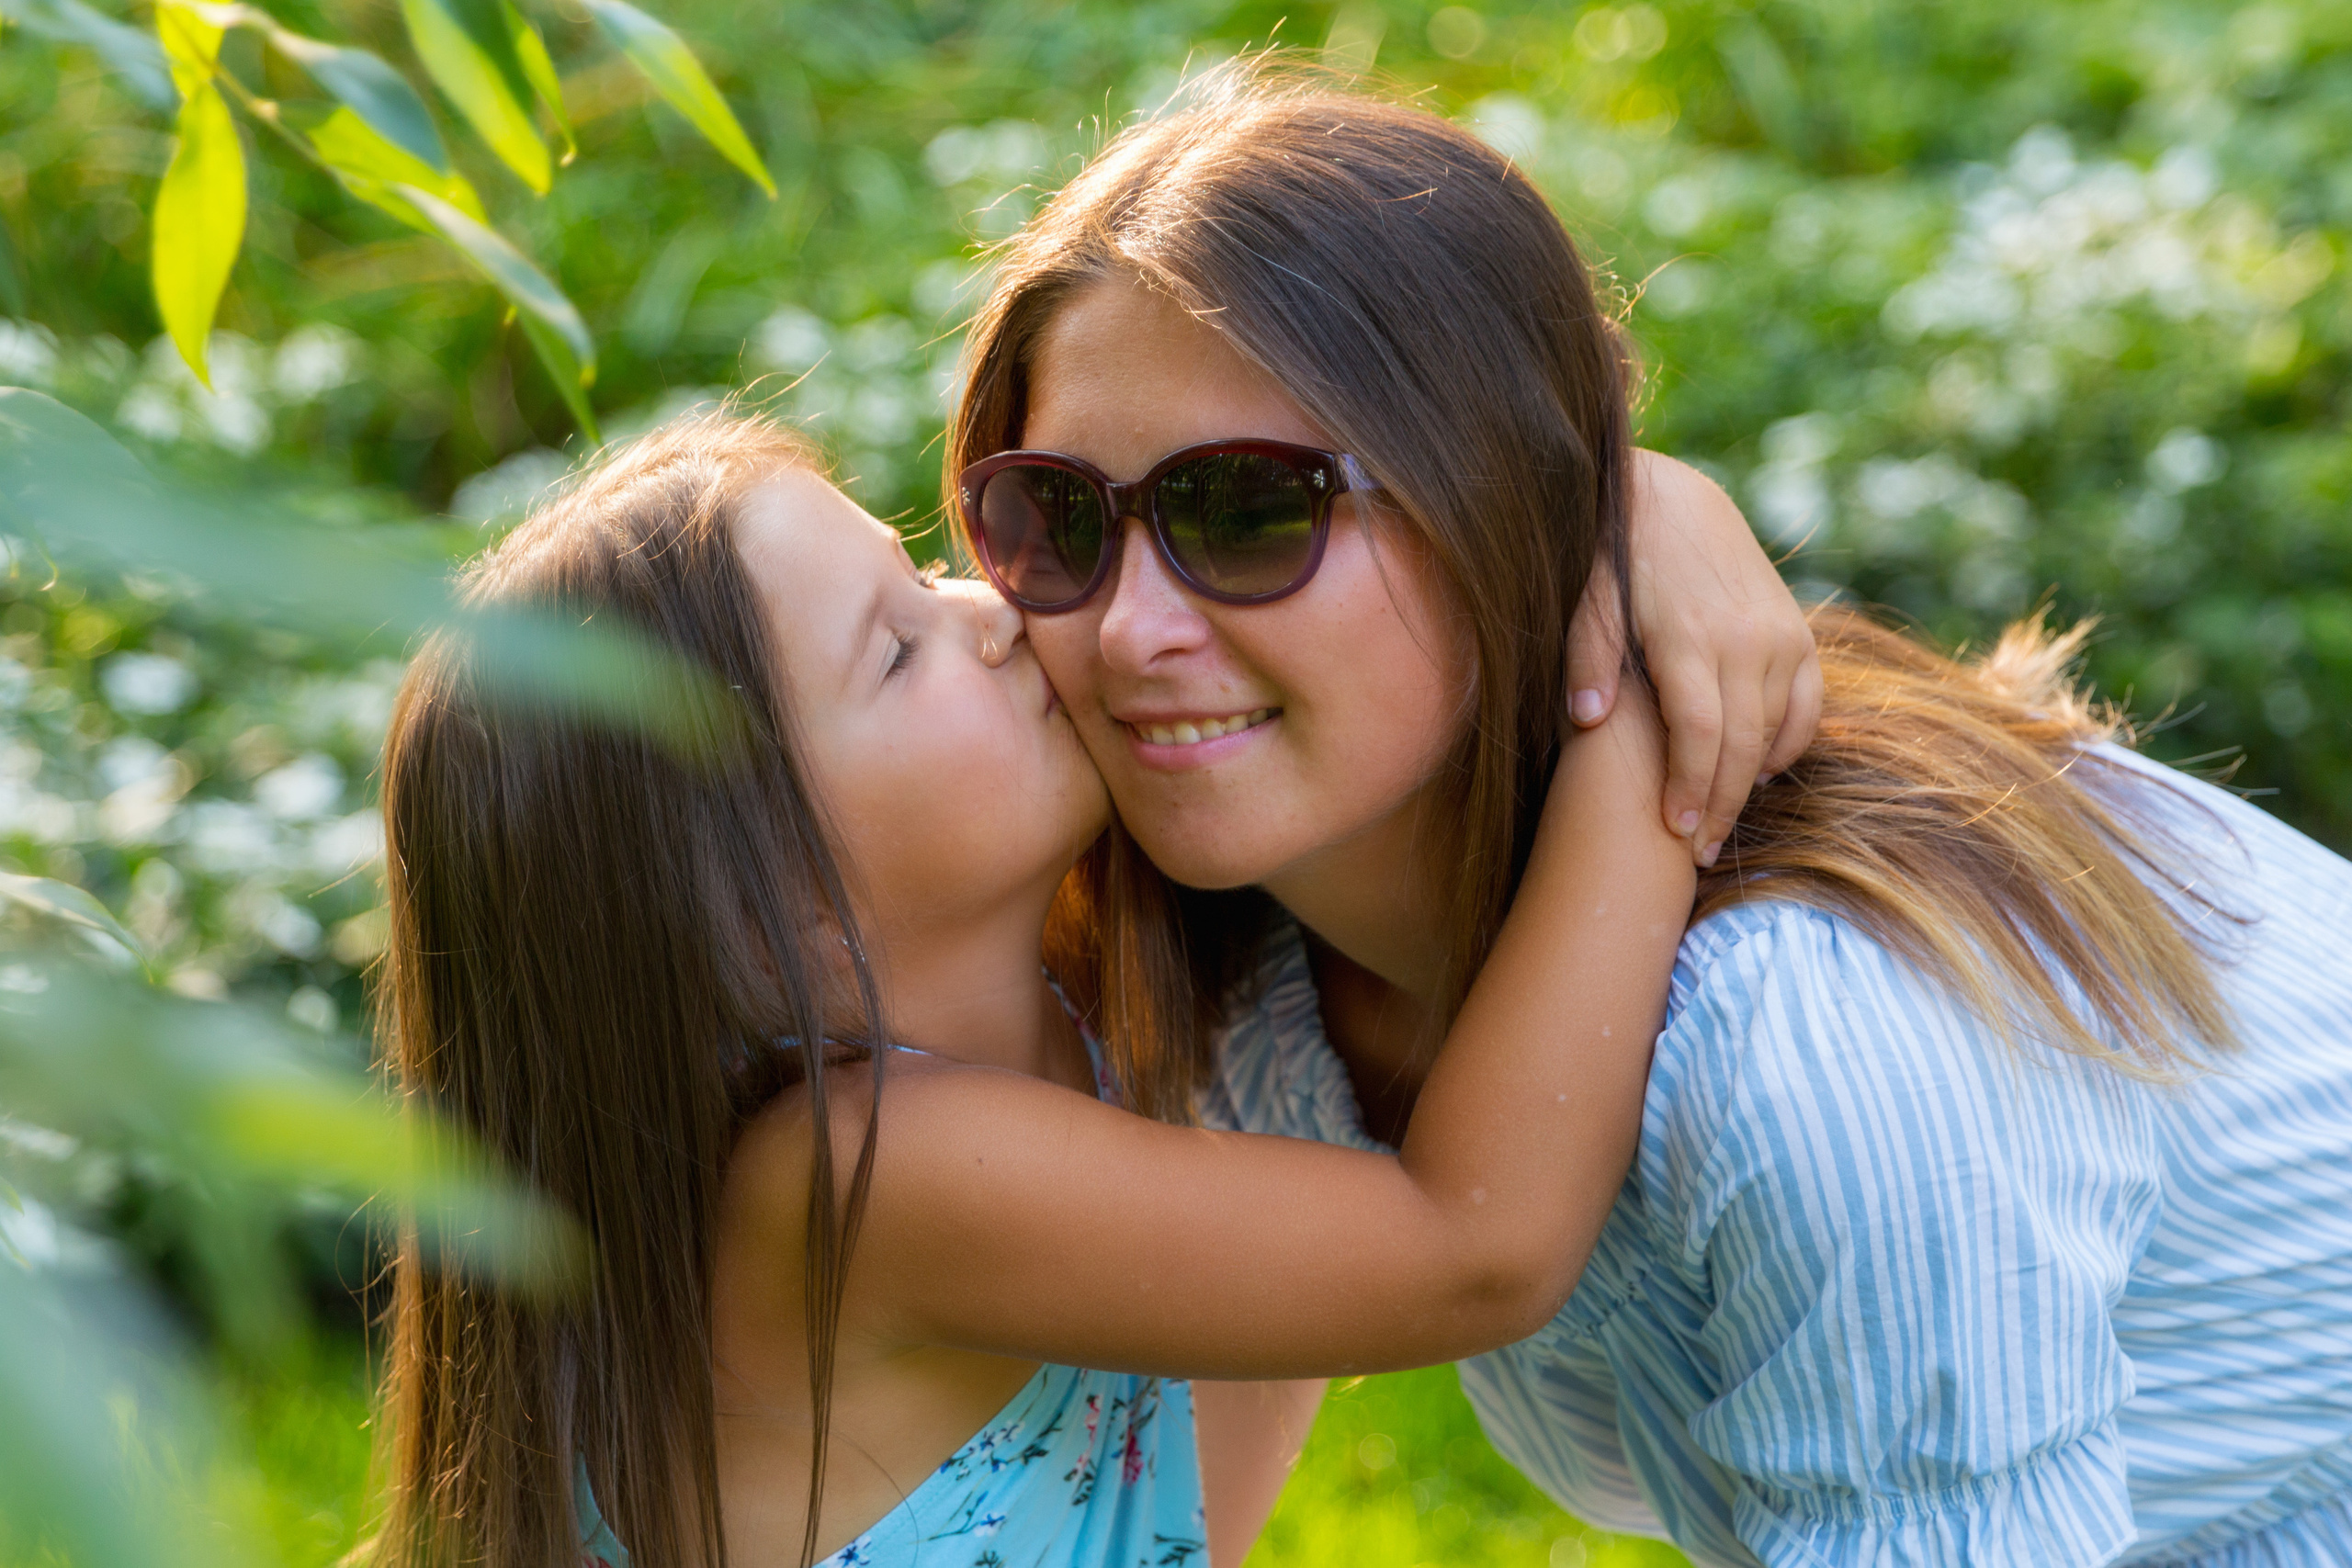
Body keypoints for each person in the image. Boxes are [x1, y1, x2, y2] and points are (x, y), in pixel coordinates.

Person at [954, 67, 2352, 1567]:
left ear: (1494, 498)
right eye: (1056, 517)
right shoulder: (1244, 981)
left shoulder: (1809, 1030)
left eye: (1249, 509)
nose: (1128, 630)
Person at [362, 403, 1816, 1568]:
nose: (988, 610)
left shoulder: (1054, 994)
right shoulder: (860, 1179)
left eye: (920, 570)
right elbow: (1476, 1249)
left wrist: (1640, 502)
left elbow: (1180, 1477)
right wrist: (1645, 708)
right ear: (758, 921)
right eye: (896, 651)